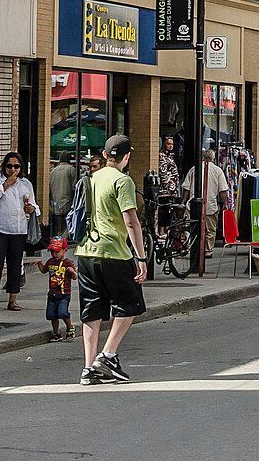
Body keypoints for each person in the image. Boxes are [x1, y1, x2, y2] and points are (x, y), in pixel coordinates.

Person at [74, 134, 148, 386]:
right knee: (130, 302)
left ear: (105, 155)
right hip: (113, 251)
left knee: (91, 310)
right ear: (127, 157)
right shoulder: (122, 180)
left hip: (86, 251)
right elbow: (131, 221)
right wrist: (141, 256)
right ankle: (107, 355)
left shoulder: (91, 178)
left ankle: (88, 368)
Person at [0, 151, 37, 313]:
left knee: (15, 265)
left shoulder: (25, 184)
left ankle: (13, 299)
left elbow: (34, 204)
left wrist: (31, 208)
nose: (13, 169)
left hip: (18, 229)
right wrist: (6, 185)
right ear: (4, 167)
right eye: (9, 166)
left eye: (16, 166)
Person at [181, 152, 231, 250]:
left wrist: (183, 201)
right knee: (210, 231)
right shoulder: (218, 170)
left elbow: (186, 188)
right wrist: (224, 204)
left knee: (191, 228)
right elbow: (223, 191)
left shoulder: (194, 169)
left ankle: (191, 247)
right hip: (210, 206)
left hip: (192, 206)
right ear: (213, 159)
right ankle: (208, 250)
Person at [37, 237, 73, 341]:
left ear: (65, 250)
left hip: (64, 294)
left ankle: (70, 328)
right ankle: (56, 333)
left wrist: (72, 272)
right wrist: (39, 264)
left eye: (57, 251)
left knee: (63, 313)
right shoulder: (50, 262)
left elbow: (74, 277)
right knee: (52, 315)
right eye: (52, 252)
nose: (54, 254)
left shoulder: (68, 263)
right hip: (52, 293)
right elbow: (44, 270)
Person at [47, 152, 78, 242]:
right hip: (68, 203)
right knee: (67, 226)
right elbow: (75, 187)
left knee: (58, 228)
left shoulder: (53, 171)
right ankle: (63, 242)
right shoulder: (71, 170)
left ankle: (58, 242)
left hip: (55, 204)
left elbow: (49, 189)